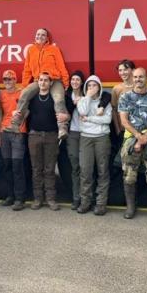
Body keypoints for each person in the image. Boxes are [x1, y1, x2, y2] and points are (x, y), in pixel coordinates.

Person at [118, 68, 147, 222]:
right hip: (131, 140)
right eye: (136, 77)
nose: (138, 79)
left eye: (141, 77)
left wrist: (144, 137)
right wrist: (138, 137)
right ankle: (131, 207)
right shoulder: (125, 97)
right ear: (132, 78)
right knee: (129, 175)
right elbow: (124, 121)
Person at [10, 28, 70, 140]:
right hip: (38, 80)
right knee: (24, 94)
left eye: (43, 35)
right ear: (35, 36)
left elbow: (61, 66)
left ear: (47, 38)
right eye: (38, 34)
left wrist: (65, 81)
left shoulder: (54, 49)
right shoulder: (31, 50)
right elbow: (27, 69)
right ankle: (16, 123)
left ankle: (62, 128)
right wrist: (24, 86)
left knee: (59, 99)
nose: (40, 37)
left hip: (54, 80)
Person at [27, 72, 69, 211]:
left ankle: (50, 199)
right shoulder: (32, 98)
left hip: (51, 136)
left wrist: (66, 117)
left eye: (46, 80)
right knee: (36, 169)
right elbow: (25, 112)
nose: (43, 82)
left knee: (49, 169)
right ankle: (38, 199)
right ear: (37, 82)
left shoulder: (55, 98)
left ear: (51, 83)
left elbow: (67, 113)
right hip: (34, 136)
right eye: (40, 80)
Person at [76, 75, 112, 215]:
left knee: (103, 171)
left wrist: (89, 119)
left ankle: (101, 204)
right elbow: (82, 112)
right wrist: (88, 97)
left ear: (99, 87)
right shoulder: (83, 100)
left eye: (94, 85)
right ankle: (85, 202)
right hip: (86, 138)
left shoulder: (105, 101)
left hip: (102, 137)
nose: (91, 88)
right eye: (89, 86)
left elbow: (107, 119)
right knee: (85, 171)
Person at [0, 69, 28, 211]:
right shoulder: (1, 94)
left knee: (17, 166)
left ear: (15, 80)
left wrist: (21, 119)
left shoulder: (22, 93)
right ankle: (10, 195)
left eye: (10, 79)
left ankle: (19, 198)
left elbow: (27, 111)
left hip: (18, 133)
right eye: (5, 79)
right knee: (7, 165)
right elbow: (0, 115)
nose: (8, 82)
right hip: (5, 132)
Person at [62, 70, 85, 209]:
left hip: (87, 134)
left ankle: (87, 197)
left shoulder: (88, 94)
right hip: (73, 134)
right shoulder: (66, 97)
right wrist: (74, 103)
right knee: (75, 166)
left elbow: (104, 96)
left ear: (82, 82)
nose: (75, 82)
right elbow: (66, 112)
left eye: (77, 79)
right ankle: (76, 198)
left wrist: (82, 101)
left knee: (86, 168)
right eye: (73, 79)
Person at [111, 59, 135, 146]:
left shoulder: (140, 87)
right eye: (120, 70)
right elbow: (114, 110)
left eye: (125, 69)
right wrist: (118, 130)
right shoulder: (116, 89)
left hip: (139, 129)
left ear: (132, 70)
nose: (122, 72)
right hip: (123, 130)